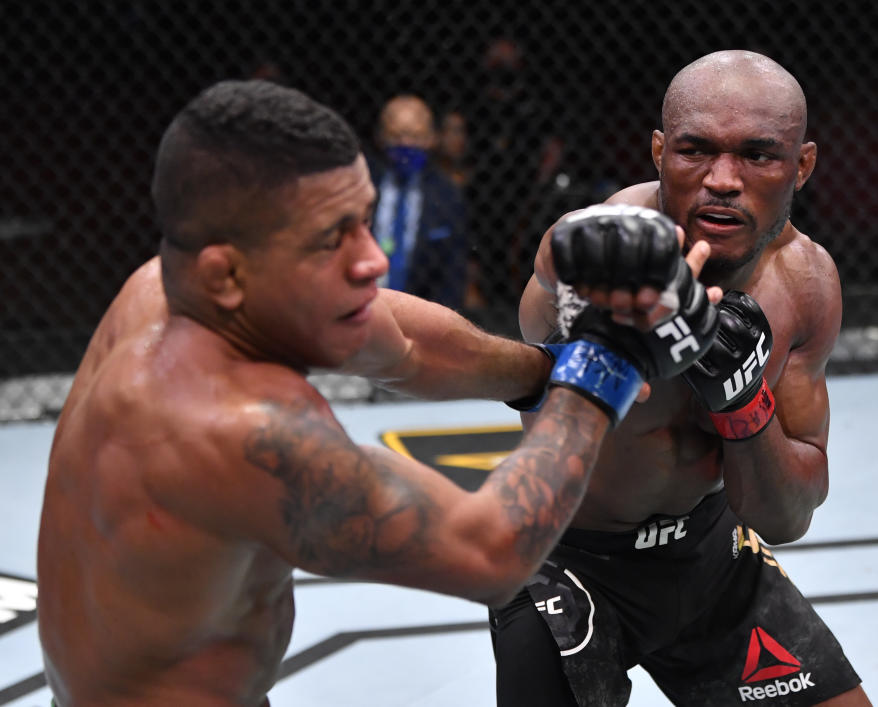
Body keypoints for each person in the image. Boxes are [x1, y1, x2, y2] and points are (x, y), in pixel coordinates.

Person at [35, 79, 718, 706]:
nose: (372, 258)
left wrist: (550, 368)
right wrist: (608, 363)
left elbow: (405, 342)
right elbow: (489, 554)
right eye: (333, 238)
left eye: (363, 219)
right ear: (227, 274)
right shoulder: (237, 428)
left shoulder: (169, 285)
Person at [490, 50, 874, 706]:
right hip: (566, 559)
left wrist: (742, 398)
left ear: (803, 165)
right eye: (695, 150)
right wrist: (568, 283)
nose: (722, 180)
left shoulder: (806, 285)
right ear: (659, 151)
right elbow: (540, 321)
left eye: (758, 155)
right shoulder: (601, 256)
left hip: (709, 554)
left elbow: (787, 514)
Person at [368, 94, 468, 309]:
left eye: (415, 136)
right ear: (380, 137)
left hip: (421, 311)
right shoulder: (362, 185)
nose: (405, 144)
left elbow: (453, 273)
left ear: (432, 138)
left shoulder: (447, 195)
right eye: (396, 135)